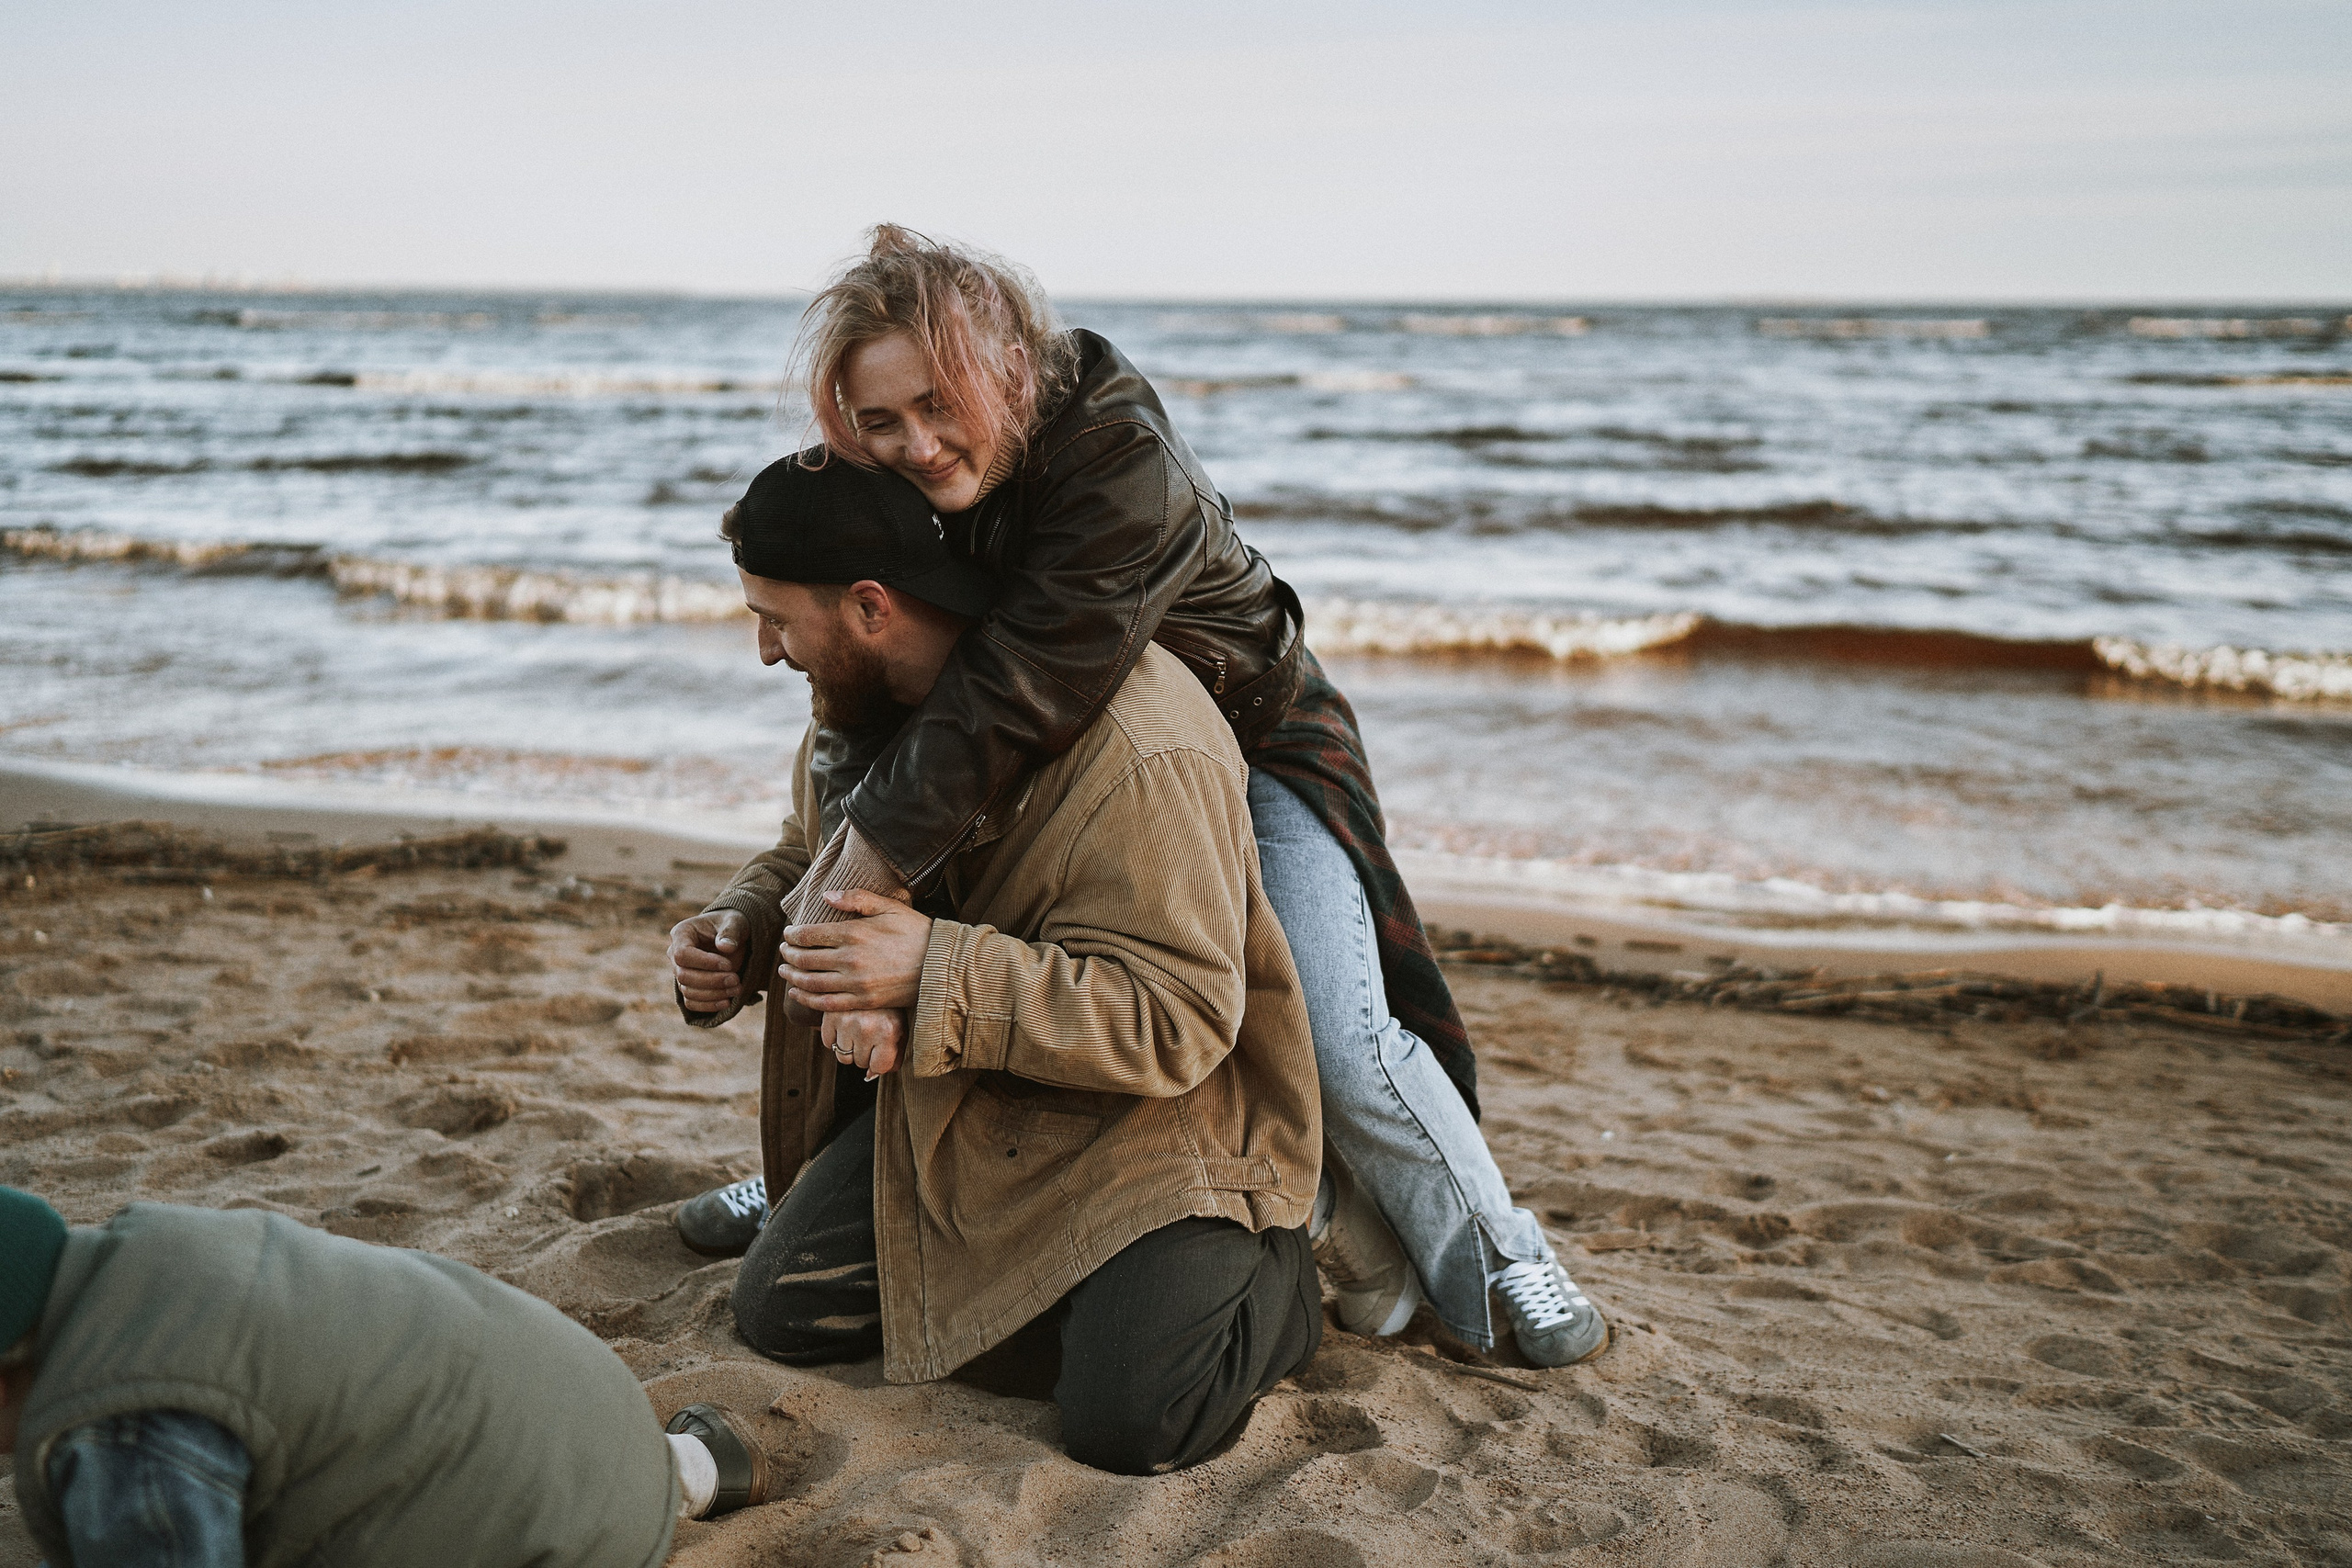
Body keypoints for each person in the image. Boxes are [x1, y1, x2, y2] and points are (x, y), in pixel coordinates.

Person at [671, 224, 1605, 1369]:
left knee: (1332, 1021)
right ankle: (833, 1191)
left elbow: (1011, 689)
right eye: (879, 422)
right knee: (939, 950)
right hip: (1062, 753)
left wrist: (837, 891)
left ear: (1006, 366)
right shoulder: (911, 482)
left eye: (935, 403)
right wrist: (804, 898)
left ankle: (1499, 1250)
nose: (914, 445)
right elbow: (869, 684)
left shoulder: (1117, 460)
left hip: (1244, 743)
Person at [698, 457, 1324, 1474]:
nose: (765, 652)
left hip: (1161, 1130)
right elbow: (806, 850)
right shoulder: (862, 713)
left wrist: (929, 969)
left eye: (773, 620)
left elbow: (1177, 1016)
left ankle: (1282, 1270)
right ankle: (1098, 1300)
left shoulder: (1138, 744)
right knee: (785, 1314)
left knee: (1132, 1424)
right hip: (977, 1108)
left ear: (869, 606)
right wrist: (746, 922)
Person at [0, 1186, 768, 1567]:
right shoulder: (156, 1248)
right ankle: (699, 1467)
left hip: (567, 1546)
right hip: (602, 1414)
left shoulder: (121, 1426)